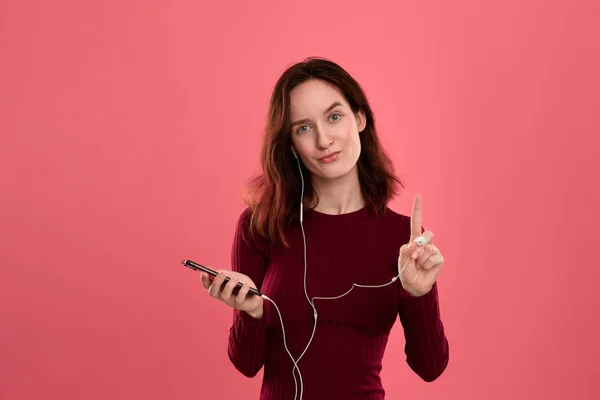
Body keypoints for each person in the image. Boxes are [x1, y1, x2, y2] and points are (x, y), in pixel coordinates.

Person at [200, 56, 449, 400]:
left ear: (359, 118)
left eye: (334, 117)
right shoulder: (261, 226)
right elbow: (245, 363)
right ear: (290, 145)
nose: (323, 140)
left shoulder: (404, 240)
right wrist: (251, 312)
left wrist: (420, 295)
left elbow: (430, 367)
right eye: (303, 127)